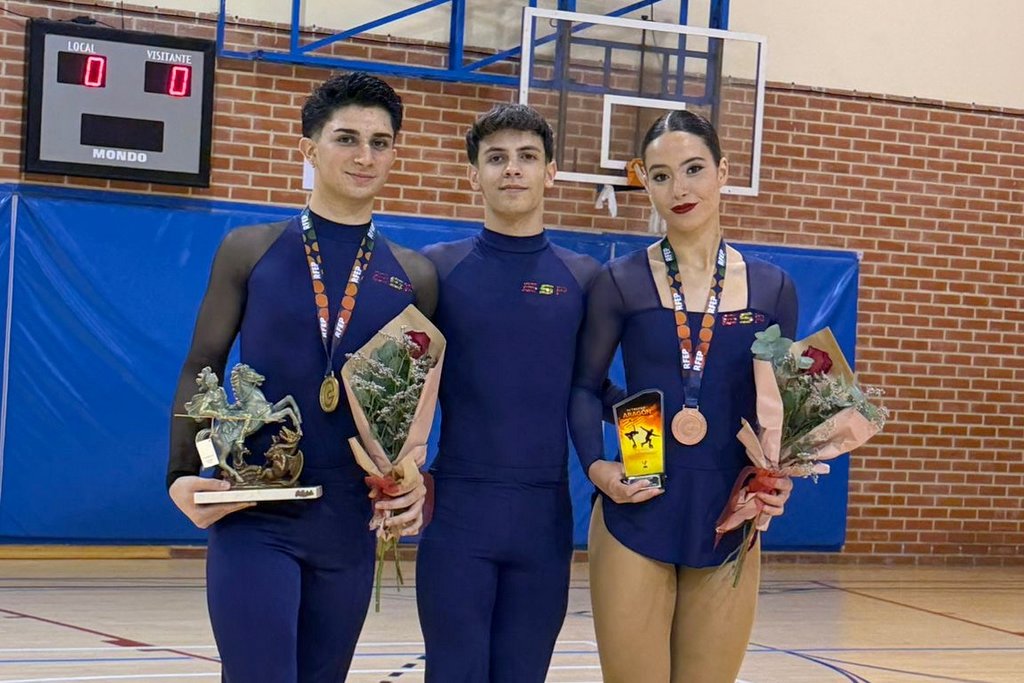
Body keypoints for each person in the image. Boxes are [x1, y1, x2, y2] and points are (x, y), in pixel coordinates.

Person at [166, 72, 436, 683]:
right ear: (309, 149)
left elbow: (416, 402)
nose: (365, 156)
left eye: (380, 142)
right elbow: (203, 366)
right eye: (347, 139)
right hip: (255, 513)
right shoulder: (250, 250)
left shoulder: (414, 275)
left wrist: (413, 475)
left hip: (350, 524)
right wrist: (186, 471)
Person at [568, 110, 797, 683]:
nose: (680, 189)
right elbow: (584, 386)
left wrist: (779, 476)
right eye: (662, 175)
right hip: (637, 506)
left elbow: (781, 408)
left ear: (724, 172)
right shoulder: (620, 281)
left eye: (694, 169)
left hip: (730, 515)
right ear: (645, 181)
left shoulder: (772, 288)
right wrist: (597, 467)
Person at [415, 104, 619, 683]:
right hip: (458, 516)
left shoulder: (584, 277)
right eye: (496, 158)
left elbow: (593, 387)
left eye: (527, 157)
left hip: (543, 519)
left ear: (549, 172)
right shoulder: (438, 270)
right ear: (473, 174)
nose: (512, 169)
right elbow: (398, 384)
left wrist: (665, 433)